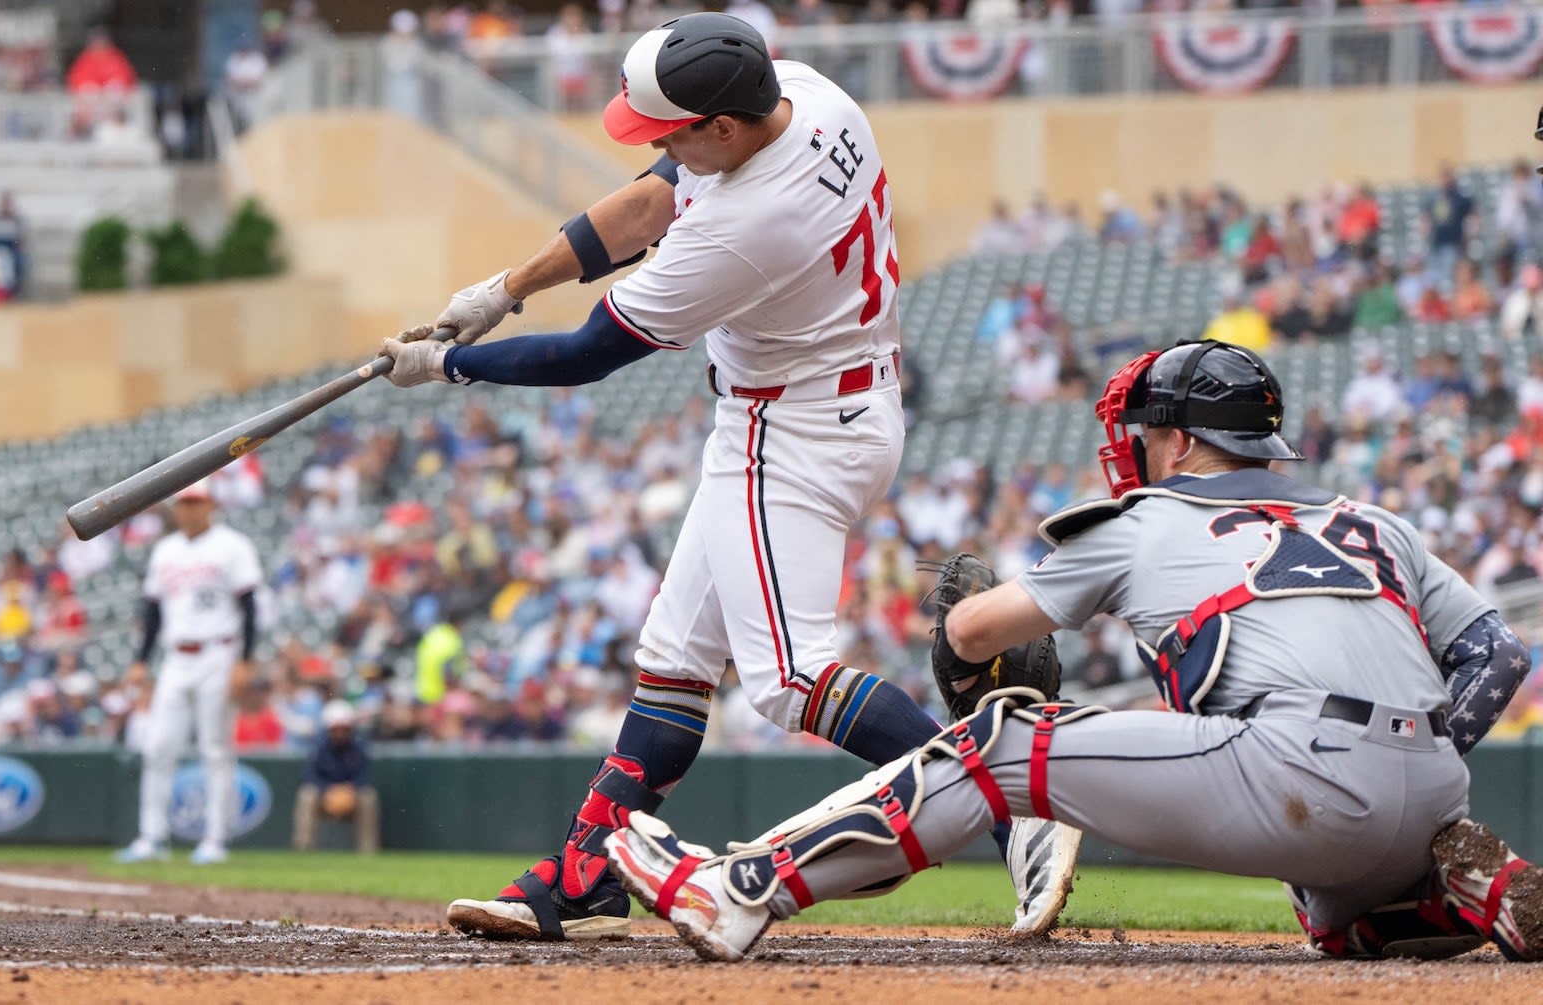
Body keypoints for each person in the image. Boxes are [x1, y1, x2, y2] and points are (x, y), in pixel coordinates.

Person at [378, 12, 1077, 942]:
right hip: (818, 402)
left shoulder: (753, 224)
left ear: (724, 128)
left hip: (790, 426)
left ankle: (1009, 797)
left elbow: (588, 354)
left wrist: (452, 366)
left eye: (674, 130)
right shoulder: (807, 95)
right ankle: (590, 868)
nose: (661, 144)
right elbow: (645, 201)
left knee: (788, 678)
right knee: (673, 658)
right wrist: (506, 289)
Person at [603, 341, 1543, 965]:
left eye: (1143, 434)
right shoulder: (1371, 521)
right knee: (1333, 916)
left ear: (1178, 441)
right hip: (1428, 789)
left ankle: (741, 887)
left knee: (999, 741)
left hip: (1295, 770)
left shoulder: (1143, 518)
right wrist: (1410, 761)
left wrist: (961, 619)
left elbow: (973, 638)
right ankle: (1469, 885)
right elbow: (1498, 656)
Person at [116, 480, 263, 866]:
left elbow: (250, 607)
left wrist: (246, 661)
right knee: (159, 747)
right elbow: (152, 612)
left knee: (214, 749)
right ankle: (152, 837)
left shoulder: (233, 545)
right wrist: (139, 661)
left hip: (219, 651)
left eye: (196, 502)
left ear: (211, 504)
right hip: (175, 657)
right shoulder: (166, 549)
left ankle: (215, 838)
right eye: (183, 503)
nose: (189, 510)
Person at [292, 700, 379, 853]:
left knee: (368, 797)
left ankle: (368, 850)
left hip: (350, 795)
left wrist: (349, 791)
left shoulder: (357, 748)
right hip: (325, 796)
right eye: (336, 729)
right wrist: (328, 791)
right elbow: (310, 775)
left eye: (343, 729)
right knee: (307, 795)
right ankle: (304, 847)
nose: (340, 733)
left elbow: (363, 775)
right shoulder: (319, 748)